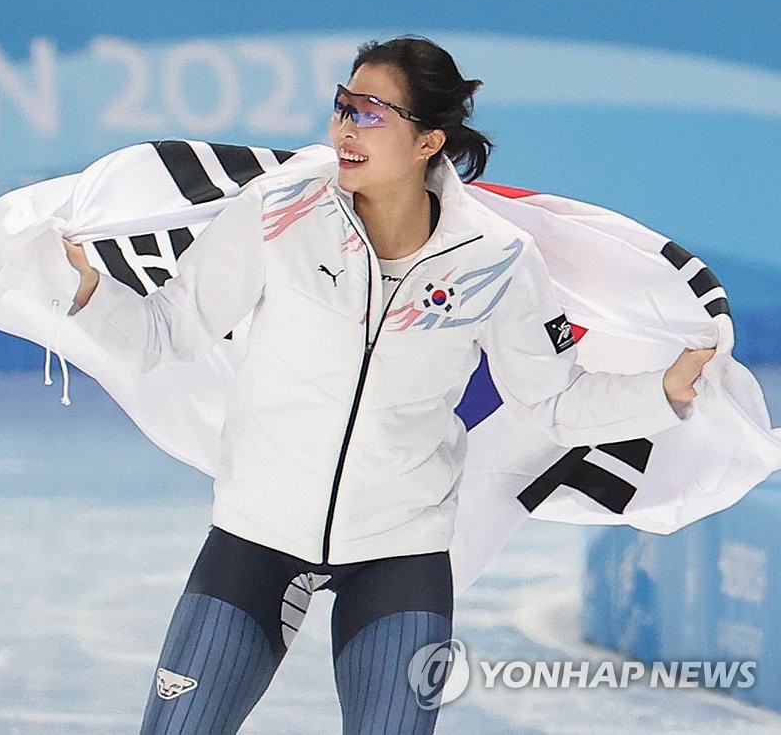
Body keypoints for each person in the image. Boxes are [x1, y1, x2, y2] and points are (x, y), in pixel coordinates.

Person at [62, 36, 715, 734]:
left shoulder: (496, 258)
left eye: (370, 112)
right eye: (342, 106)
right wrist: (86, 293)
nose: (345, 126)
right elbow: (170, 330)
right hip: (255, 536)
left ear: (429, 139)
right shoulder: (280, 210)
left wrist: (663, 391)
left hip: (399, 554)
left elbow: (549, 400)